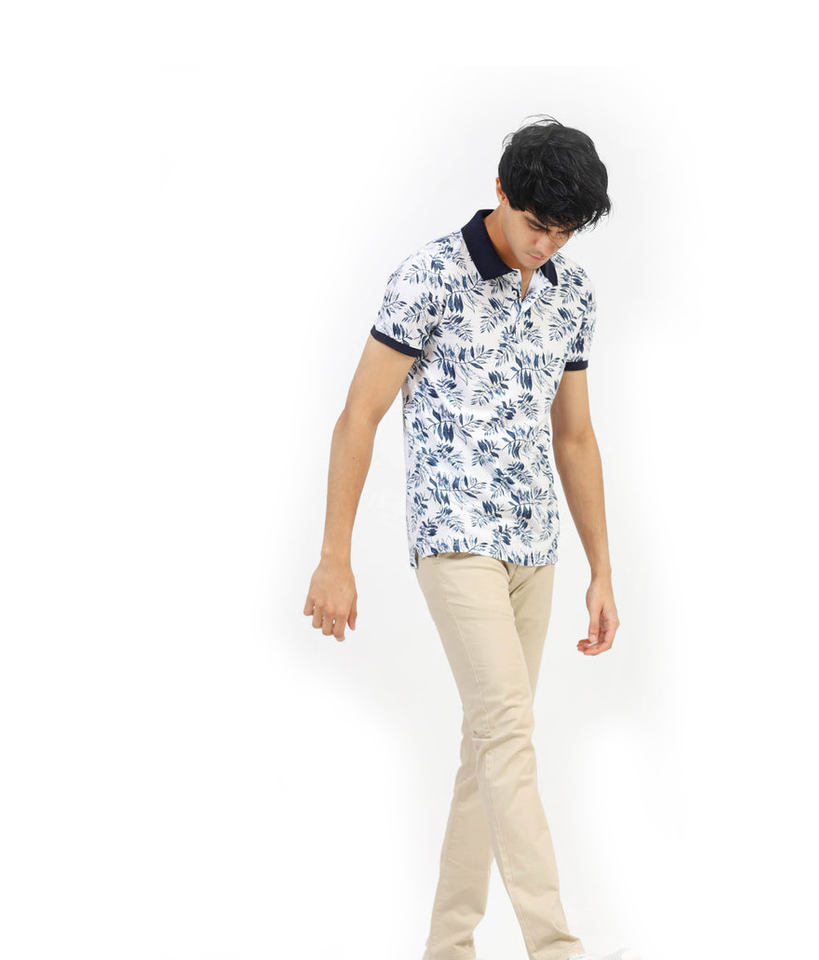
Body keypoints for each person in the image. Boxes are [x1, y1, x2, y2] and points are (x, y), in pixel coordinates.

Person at [303, 116, 642, 960]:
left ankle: (447, 947)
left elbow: (575, 437)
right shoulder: (428, 278)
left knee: (487, 747)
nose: (546, 245)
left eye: (564, 232)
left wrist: (602, 569)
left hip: (536, 543)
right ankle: (556, 947)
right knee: (510, 738)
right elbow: (359, 416)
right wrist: (335, 556)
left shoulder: (571, 292)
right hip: (454, 537)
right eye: (537, 225)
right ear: (500, 192)